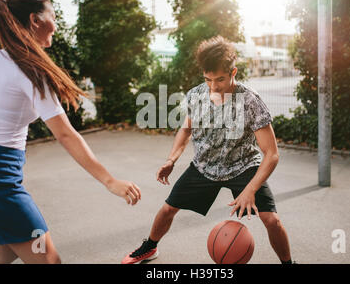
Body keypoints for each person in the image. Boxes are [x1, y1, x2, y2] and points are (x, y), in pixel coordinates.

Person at [0, 0, 141, 264]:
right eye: (54, 17)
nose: (56, 26)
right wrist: (110, 181)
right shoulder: (30, 69)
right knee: (48, 261)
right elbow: (65, 134)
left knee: (6, 252)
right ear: (35, 20)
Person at [122, 35, 295, 264]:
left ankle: (288, 263)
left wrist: (250, 189)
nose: (213, 86)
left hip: (243, 166)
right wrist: (171, 159)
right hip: (204, 165)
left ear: (233, 72)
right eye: (208, 79)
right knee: (167, 210)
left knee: (271, 220)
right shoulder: (196, 95)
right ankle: (150, 248)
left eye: (220, 79)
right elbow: (186, 130)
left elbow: (271, 154)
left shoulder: (250, 101)